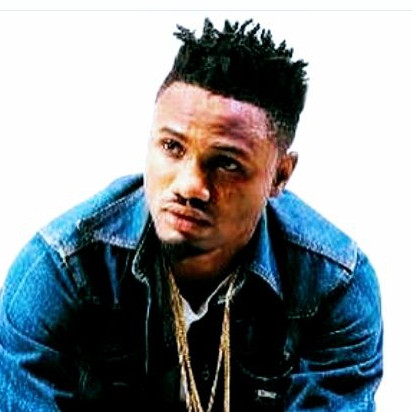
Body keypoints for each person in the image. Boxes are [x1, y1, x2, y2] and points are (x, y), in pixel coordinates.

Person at [0, 18, 383, 411]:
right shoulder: (62, 272)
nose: (190, 186)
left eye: (227, 163)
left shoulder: (332, 286)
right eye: (172, 147)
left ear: (280, 175)